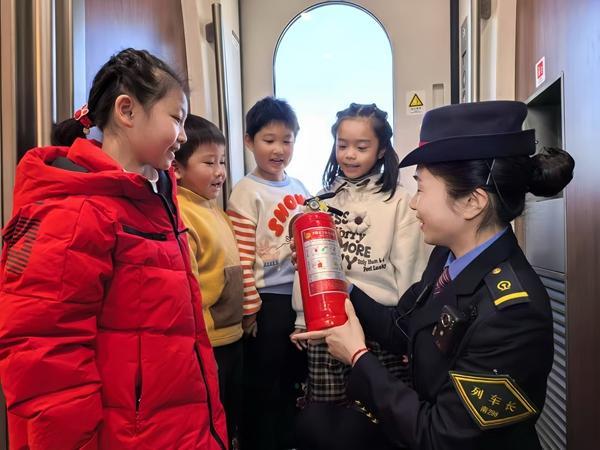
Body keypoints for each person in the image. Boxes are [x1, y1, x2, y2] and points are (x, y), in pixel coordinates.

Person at [293, 101, 575, 450]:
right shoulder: (448, 257)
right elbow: (401, 326)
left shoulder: (513, 314)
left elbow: (440, 436)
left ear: (472, 202)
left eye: (422, 188)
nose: (414, 203)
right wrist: (335, 280)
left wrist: (357, 357)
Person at [0, 49, 227, 449]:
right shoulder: (73, 209)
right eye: (176, 119)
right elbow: (45, 356)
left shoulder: (156, 197)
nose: (184, 136)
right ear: (127, 111)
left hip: (176, 427)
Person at [291, 103, 430, 432]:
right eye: (342, 145)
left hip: (379, 325)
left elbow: (410, 270)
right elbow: (305, 268)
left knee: (382, 416)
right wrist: (301, 317)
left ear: (381, 150)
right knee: (327, 417)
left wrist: (407, 334)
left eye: (361, 146)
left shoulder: (399, 201)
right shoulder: (319, 201)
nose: (349, 154)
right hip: (326, 323)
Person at [227, 97, 310, 450]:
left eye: (287, 140)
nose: (279, 149)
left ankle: (289, 438)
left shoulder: (300, 188)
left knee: (294, 376)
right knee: (265, 381)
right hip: (266, 301)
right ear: (249, 141)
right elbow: (242, 256)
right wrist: (249, 309)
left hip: (299, 298)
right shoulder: (246, 191)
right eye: (269, 140)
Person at [174, 114, 244, 449]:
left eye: (222, 161)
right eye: (208, 162)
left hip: (232, 336)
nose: (219, 172)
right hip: (209, 342)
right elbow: (189, 286)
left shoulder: (215, 210)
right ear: (177, 169)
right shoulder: (183, 212)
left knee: (232, 416)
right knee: (211, 419)